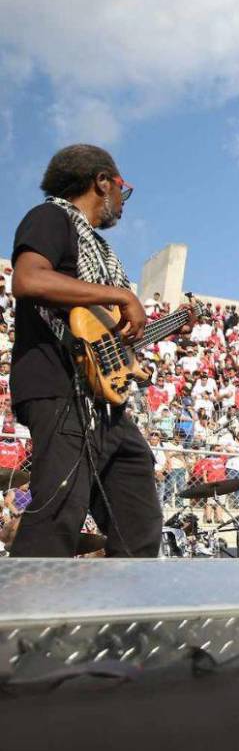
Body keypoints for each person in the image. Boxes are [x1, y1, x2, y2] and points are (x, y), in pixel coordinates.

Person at [8, 144, 189, 557]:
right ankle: (24, 619)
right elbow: (28, 280)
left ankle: (121, 617)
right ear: (102, 182)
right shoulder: (51, 217)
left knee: (139, 517)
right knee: (58, 514)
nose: (122, 203)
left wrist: (165, 324)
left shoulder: (100, 252)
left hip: (103, 404)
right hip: (60, 387)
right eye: (121, 190)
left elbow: (102, 337)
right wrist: (121, 295)